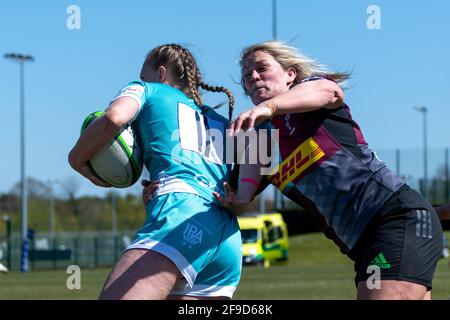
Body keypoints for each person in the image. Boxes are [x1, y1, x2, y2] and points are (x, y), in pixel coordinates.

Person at [221, 40, 444, 300]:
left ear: (290, 74)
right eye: (247, 76)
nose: (254, 77)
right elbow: (241, 195)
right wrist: (236, 201)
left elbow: (330, 91)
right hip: (363, 245)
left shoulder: (312, 93)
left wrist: (269, 107)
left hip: (392, 219)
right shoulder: (261, 140)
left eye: (262, 68)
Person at [68, 44, 242, 300]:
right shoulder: (220, 121)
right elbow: (232, 188)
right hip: (227, 239)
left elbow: (113, 119)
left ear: (161, 74)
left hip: (180, 214)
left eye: (143, 75)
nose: (141, 80)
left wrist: (76, 160)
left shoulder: (149, 90)